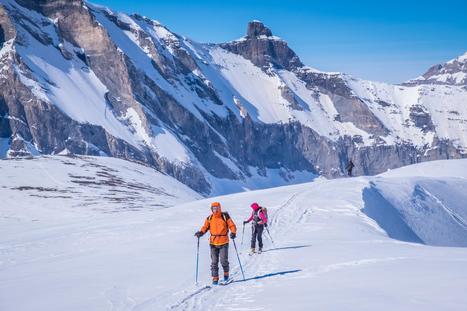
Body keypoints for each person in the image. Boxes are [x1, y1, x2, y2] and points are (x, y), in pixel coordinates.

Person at [195, 202, 237, 285]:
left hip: (224, 242)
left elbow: (232, 225)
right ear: (211, 209)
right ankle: (215, 279)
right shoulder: (209, 218)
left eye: (217, 208)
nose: (215, 210)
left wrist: (233, 232)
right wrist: (201, 232)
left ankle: (226, 275)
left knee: (223, 260)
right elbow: (205, 227)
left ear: (219, 208)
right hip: (213, 243)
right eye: (214, 208)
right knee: (214, 262)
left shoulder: (225, 216)